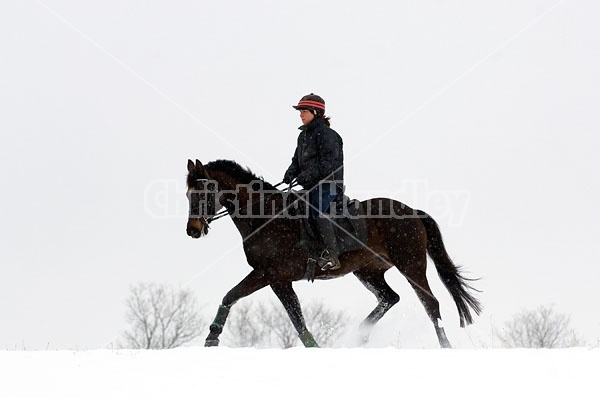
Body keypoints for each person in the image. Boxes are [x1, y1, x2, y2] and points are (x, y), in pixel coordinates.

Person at [283, 93, 344, 270]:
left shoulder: (328, 135)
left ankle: (331, 254)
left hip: (329, 185)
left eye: (304, 111)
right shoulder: (302, 137)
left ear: (316, 112)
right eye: (300, 111)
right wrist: (290, 173)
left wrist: (305, 176)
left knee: (315, 210)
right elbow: (296, 161)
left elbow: (327, 164)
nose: (300, 115)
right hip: (310, 185)